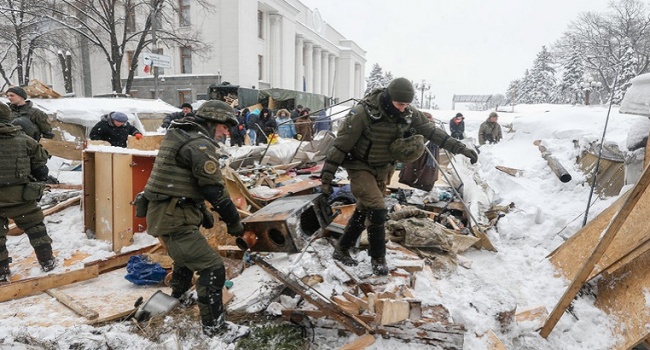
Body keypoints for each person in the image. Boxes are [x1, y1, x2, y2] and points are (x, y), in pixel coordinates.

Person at [320, 77, 478, 275]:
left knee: (363, 208)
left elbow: (433, 132)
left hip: (383, 168)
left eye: (407, 104)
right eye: (400, 104)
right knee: (378, 209)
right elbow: (340, 146)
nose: (403, 108)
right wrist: (326, 180)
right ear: (388, 98)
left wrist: (462, 148)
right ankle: (378, 259)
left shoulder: (410, 114)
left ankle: (342, 248)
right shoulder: (363, 113)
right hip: (359, 166)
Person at [143, 100, 244, 336]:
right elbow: (213, 189)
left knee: (185, 259)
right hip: (173, 217)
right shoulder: (197, 143)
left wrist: (203, 212)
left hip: (170, 212)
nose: (226, 132)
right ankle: (214, 328)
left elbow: (184, 182)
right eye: (224, 126)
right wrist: (234, 223)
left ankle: (178, 299)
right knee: (212, 267)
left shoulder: (183, 133)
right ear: (211, 122)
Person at [0, 103, 56, 283]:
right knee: (36, 228)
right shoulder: (25, 140)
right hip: (22, 196)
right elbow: (41, 167)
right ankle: (47, 261)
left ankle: (2, 272)